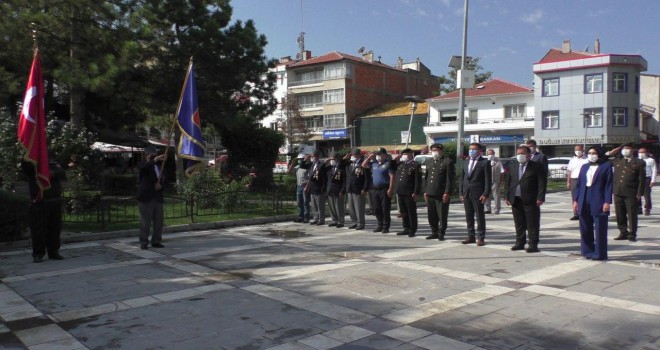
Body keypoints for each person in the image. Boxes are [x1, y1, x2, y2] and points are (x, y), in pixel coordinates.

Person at [504, 145, 547, 253]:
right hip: (516, 199)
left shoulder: (536, 166)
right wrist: (506, 196)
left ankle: (533, 244)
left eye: (522, 153)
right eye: (518, 153)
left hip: (531, 199)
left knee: (532, 223)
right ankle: (520, 243)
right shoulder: (513, 165)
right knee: (519, 223)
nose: (520, 156)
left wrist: (540, 197)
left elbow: (542, 183)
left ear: (528, 155)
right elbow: (507, 182)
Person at [21, 160, 66, 263]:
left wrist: (51, 173)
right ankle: (38, 254)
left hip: (55, 200)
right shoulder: (30, 160)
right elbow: (27, 171)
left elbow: (62, 172)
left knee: (55, 228)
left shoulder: (53, 162)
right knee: (38, 229)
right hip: (40, 201)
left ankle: (53, 252)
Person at [572, 146, 613, 260]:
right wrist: (576, 200)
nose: (591, 155)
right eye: (589, 153)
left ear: (599, 154)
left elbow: (609, 185)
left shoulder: (606, 165)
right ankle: (587, 251)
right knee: (585, 227)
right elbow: (579, 184)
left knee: (600, 228)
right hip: (584, 197)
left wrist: (607, 201)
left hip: (598, 198)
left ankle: (600, 253)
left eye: (594, 153)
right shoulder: (584, 166)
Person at [610, 142, 646, 242]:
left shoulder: (639, 162)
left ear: (633, 150)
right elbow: (603, 159)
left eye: (628, 148)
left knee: (632, 214)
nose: (625, 150)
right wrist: (612, 152)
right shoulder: (617, 160)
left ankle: (632, 233)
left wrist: (639, 193)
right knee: (619, 214)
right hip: (618, 191)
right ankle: (623, 232)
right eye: (624, 148)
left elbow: (641, 179)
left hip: (631, 192)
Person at [459, 143, 491, 246]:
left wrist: (486, 193)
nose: (471, 151)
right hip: (466, 192)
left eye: (474, 149)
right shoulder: (466, 161)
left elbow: (488, 180)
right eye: (470, 149)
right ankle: (470, 236)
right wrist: (461, 192)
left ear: (479, 151)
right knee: (469, 215)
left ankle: (481, 237)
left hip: (478, 193)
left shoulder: (485, 162)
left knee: (479, 216)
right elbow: (462, 178)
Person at [137, 146, 167, 250]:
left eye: (154, 154)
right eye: (150, 154)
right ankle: (144, 241)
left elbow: (164, 180)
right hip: (146, 197)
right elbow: (144, 168)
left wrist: (161, 186)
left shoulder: (160, 166)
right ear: (145, 155)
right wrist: (155, 159)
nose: (153, 155)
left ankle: (156, 240)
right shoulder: (142, 164)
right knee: (145, 221)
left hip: (157, 197)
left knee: (158, 222)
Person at [424, 143, 455, 241]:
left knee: (442, 214)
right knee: (431, 215)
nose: (435, 152)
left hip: (441, 193)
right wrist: (425, 191)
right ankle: (434, 232)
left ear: (441, 151)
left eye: (436, 150)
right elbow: (426, 178)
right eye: (433, 150)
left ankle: (441, 232)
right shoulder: (429, 162)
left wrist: (447, 192)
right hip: (430, 192)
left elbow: (449, 179)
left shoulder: (447, 161)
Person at [362, 147, 395, 233]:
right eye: (377, 154)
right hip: (375, 189)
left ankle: (385, 227)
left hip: (384, 189)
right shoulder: (374, 164)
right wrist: (369, 158)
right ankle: (379, 225)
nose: (378, 156)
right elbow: (363, 165)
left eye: (380, 154)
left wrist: (391, 189)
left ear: (384, 155)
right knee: (376, 209)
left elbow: (392, 177)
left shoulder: (388, 164)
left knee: (385, 209)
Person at [393, 148, 421, 237]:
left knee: (411, 211)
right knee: (403, 211)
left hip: (409, 192)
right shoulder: (401, 165)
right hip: (400, 192)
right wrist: (396, 158)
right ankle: (406, 228)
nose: (404, 156)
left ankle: (412, 229)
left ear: (410, 154)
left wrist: (416, 192)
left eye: (406, 154)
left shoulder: (415, 165)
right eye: (403, 154)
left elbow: (418, 180)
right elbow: (391, 167)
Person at [344, 148, 369, 230]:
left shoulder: (363, 163)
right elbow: (340, 165)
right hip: (350, 188)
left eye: (354, 155)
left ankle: (361, 223)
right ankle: (354, 222)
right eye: (352, 155)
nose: (352, 157)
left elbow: (367, 177)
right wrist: (345, 158)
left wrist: (365, 189)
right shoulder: (348, 164)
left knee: (359, 207)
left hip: (359, 189)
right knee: (351, 208)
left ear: (358, 155)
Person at [302, 150, 328, 226]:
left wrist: (323, 188)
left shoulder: (321, 165)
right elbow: (302, 166)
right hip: (312, 188)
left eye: (314, 156)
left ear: (317, 157)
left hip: (319, 188)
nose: (313, 158)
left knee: (320, 206)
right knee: (314, 206)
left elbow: (324, 178)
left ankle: (321, 219)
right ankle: (316, 219)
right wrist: (305, 159)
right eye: (312, 156)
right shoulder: (312, 165)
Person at [325, 152, 348, 228]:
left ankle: (340, 221)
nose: (332, 160)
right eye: (331, 159)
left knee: (339, 207)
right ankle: (334, 220)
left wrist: (343, 190)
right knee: (332, 207)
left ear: (337, 159)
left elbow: (345, 181)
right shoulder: (329, 168)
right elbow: (321, 168)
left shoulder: (341, 168)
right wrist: (326, 161)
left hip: (338, 191)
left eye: (333, 159)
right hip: (330, 190)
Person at [288, 153, 311, 223]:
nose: (299, 160)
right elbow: (289, 171)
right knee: (299, 203)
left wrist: (307, 185)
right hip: (299, 186)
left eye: (301, 159)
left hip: (305, 186)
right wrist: (292, 163)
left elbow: (310, 177)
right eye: (299, 159)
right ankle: (300, 216)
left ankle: (306, 217)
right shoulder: (298, 167)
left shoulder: (308, 166)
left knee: (305, 202)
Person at [566, 144, 588, 220]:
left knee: (583, 196)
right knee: (574, 197)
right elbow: (569, 172)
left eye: (579, 149)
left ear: (583, 150)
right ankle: (576, 213)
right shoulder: (572, 160)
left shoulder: (587, 160)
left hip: (583, 180)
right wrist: (568, 182)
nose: (577, 151)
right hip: (574, 180)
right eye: (576, 150)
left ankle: (583, 213)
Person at [638, 146, 656, 216]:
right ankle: (638, 208)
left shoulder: (650, 160)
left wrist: (653, 180)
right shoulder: (635, 160)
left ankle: (647, 208)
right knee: (637, 194)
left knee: (647, 195)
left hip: (647, 178)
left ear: (646, 153)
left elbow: (654, 170)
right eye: (640, 152)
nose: (641, 153)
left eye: (643, 152)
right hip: (638, 178)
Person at [484, 148, 503, 215]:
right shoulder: (485, 161)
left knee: (496, 196)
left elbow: (502, 172)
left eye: (492, 154)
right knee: (486, 195)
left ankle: (497, 209)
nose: (490, 155)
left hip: (495, 181)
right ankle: (487, 209)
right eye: (489, 154)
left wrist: (500, 181)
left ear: (494, 154)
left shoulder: (498, 161)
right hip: (486, 182)